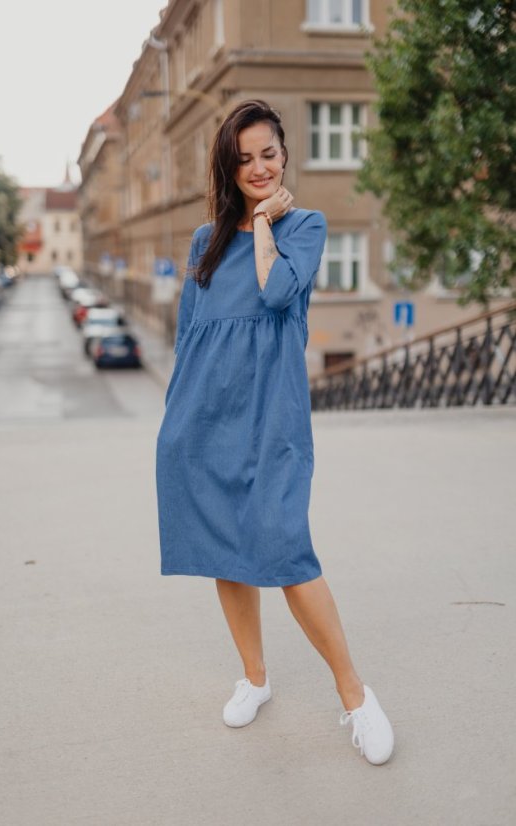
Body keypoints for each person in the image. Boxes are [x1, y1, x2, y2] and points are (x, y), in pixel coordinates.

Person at [155, 99, 394, 766]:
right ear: (227, 169)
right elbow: (189, 340)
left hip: (271, 420)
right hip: (201, 420)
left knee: (285, 551)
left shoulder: (305, 227)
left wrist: (263, 224)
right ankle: (254, 678)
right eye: (244, 159)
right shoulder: (204, 243)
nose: (258, 166)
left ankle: (355, 696)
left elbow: (274, 293)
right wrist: (174, 424)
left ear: (283, 155)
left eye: (267, 153)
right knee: (224, 551)